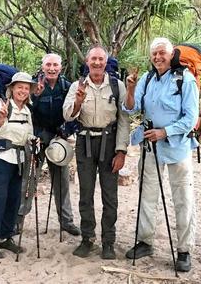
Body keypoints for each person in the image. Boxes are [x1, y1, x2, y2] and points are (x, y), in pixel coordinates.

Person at [123, 37, 199, 272]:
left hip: (177, 148)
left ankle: (184, 250)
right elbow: (130, 108)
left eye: (162, 53)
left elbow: (190, 118)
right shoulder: (146, 79)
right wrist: (131, 88)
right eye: (154, 54)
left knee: (183, 199)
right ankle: (145, 241)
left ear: (171, 55)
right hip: (149, 147)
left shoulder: (184, 80)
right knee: (147, 195)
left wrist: (165, 132)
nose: (158, 57)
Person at [63, 46, 130, 260]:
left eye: (101, 59)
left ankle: (108, 241)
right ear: (87, 61)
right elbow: (67, 116)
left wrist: (121, 151)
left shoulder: (116, 86)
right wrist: (79, 102)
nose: (97, 63)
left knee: (110, 196)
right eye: (93, 59)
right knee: (85, 194)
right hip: (85, 143)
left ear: (106, 61)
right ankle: (87, 238)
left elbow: (123, 120)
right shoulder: (77, 86)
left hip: (109, 143)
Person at [0, 72, 37, 259]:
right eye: (19, 87)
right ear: (12, 88)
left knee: (14, 199)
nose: (23, 91)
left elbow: (28, 133)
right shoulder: (1, 105)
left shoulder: (27, 110)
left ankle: (5, 236)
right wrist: (0, 120)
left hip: (20, 159)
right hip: (1, 158)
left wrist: (34, 141)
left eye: (26, 88)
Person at [31, 53, 80, 236]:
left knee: (62, 181)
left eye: (55, 65)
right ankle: (17, 221)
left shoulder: (67, 86)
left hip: (58, 138)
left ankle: (66, 221)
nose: (52, 68)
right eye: (48, 65)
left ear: (61, 67)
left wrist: (66, 130)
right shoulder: (33, 85)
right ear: (43, 67)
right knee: (30, 179)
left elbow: (74, 112)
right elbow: (24, 109)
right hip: (37, 137)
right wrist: (36, 96)